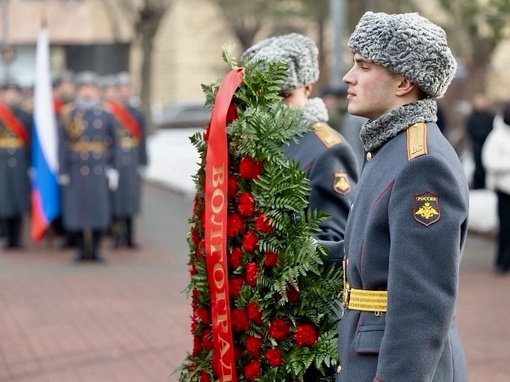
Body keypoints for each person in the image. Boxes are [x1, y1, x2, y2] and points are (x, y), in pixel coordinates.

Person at [338, 12, 469, 381]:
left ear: (403, 82)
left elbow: (423, 303)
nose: (349, 77)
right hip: (366, 352)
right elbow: (372, 254)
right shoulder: (390, 147)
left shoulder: (420, 163)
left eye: (364, 66)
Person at [241, 33, 359, 381]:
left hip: (297, 321)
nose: (274, 108)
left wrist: (276, 253)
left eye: (284, 96)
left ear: (308, 88)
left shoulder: (325, 148)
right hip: (251, 310)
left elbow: (336, 240)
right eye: (265, 98)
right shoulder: (250, 142)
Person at [58, 71, 119, 261]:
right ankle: (81, 249)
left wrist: (113, 168)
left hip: (98, 165)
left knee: (98, 209)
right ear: (78, 91)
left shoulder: (106, 114)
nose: (87, 92)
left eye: (91, 88)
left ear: (97, 91)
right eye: (84, 88)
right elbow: (62, 144)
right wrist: (63, 170)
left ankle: (96, 249)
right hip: (77, 166)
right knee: (78, 209)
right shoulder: (69, 114)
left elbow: (114, 142)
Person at [107, 72, 148, 248]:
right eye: (121, 89)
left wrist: (143, 161)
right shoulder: (110, 112)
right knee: (116, 199)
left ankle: (130, 236)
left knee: (131, 198)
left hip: (132, 157)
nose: (124, 92)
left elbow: (143, 138)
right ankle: (117, 235)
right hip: (116, 158)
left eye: (127, 88)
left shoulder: (138, 113)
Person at [0, 79, 32, 249]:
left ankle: (17, 237)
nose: (11, 96)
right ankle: (7, 237)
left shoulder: (25, 115)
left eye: (14, 92)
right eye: (7, 92)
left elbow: (31, 141)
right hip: (2, 160)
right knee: (4, 199)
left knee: (19, 199)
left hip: (20, 161)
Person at [482, 102, 510, 274]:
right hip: (504, 190)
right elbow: (489, 161)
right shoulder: (497, 136)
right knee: (506, 228)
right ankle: (502, 261)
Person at [466, 92, 495, 189]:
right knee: (478, 165)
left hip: (488, 144)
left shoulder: (491, 117)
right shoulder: (472, 117)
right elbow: (470, 130)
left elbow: (493, 129)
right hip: (477, 144)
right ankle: (478, 185)